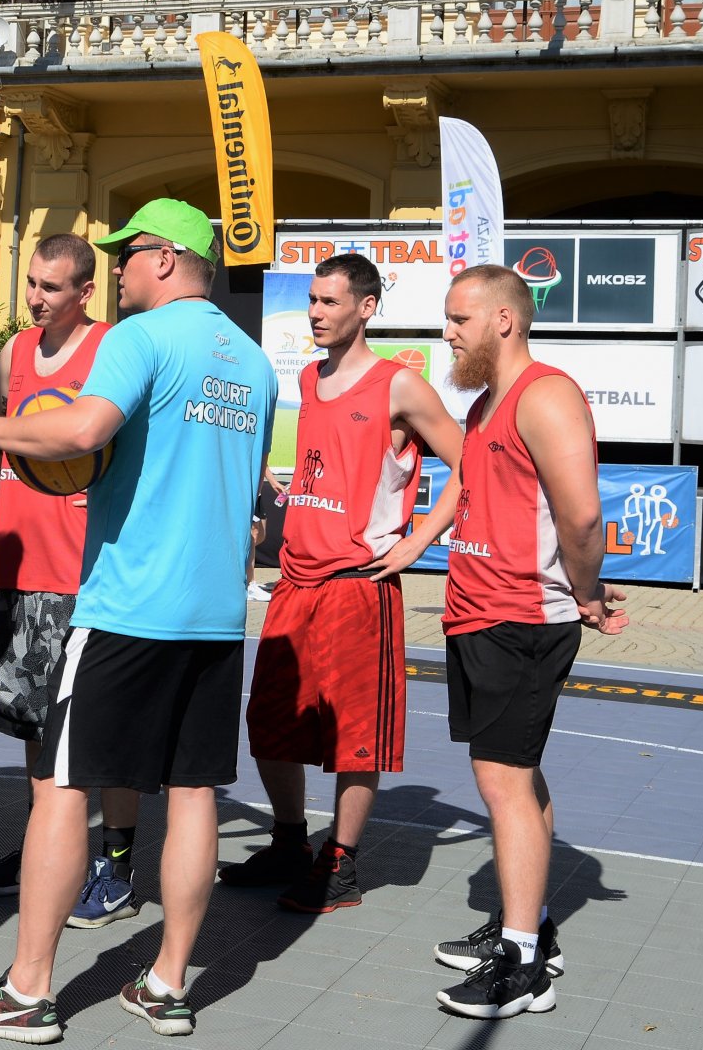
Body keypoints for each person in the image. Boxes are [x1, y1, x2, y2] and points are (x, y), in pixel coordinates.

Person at [0, 199, 277, 1042]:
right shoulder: (254, 361)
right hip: (212, 614)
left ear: (165, 259)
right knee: (195, 792)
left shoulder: (140, 338)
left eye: (127, 255)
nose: (118, 271)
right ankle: (167, 982)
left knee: (61, 787)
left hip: (129, 602)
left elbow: (85, 429)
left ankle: (26, 993)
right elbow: (253, 507)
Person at [222, 253, 464, 912]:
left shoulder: (399, 386)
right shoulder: (308, 375)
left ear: (367, 307)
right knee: (270, 724)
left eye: (330, 302)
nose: (316, 314)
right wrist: (291, 485)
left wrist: (419, 539)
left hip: (360, 585)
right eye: (313, 301)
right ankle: (290, 842)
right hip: (295, 582)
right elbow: (332, 465)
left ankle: (342, 865)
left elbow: (474, 462)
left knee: (354, 733)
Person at [426, 264, 629, 1021]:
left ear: (504, 321)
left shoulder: (546, 396)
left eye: (459, 319)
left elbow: (581, 519)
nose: (447, 333)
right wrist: (412, 541)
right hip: (478, 614)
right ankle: (530, 924)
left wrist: (585, 594)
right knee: (517, 776)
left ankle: (524, 966)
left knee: (501, 785)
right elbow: (469, 493)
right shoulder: (485, 407)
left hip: (523, 620)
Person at [0, 234, 142, 929]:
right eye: (32, 283)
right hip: (24, 565)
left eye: (52, 287)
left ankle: (117, 863)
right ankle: (45, 847)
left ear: (86, 292)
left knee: (104, 730)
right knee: (35, 725)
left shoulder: (113, 352)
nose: (36, 297)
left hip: (94, 573)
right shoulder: (14, 352)